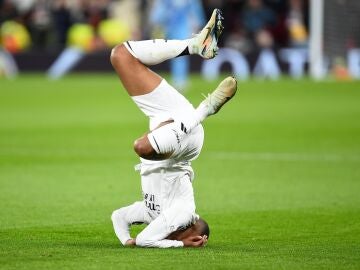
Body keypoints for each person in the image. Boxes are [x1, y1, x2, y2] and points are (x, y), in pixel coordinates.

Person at [110, 9, 237, 248]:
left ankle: (195, 45)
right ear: (198, 237)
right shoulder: (185, 214)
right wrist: (180, 245)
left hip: (169, 119)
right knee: (142, 147)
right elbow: (146, 240)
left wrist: (126, 240)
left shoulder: (151, 214)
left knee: (121, 55)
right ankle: (206, 109)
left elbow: (119, 217)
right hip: (186, 140)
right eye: (190, 240)